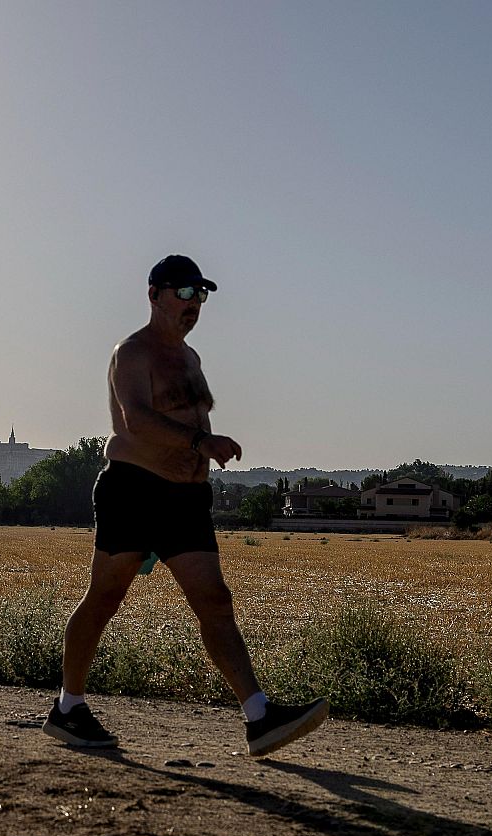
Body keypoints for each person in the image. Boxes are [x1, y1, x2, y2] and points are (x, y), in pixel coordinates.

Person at [43, 254, 328, 757]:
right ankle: (69, 707)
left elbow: (186, 419)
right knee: (105, 598)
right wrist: (201, 442)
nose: (193, 304)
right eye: (184, 293)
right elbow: (134, 420)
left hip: (185, 499)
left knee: (215, 600)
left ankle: (259, 717)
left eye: (201, 295)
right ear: (153, 295)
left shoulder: (192, 359)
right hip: (134, 491)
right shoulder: (132, 353)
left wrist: (201, 456)